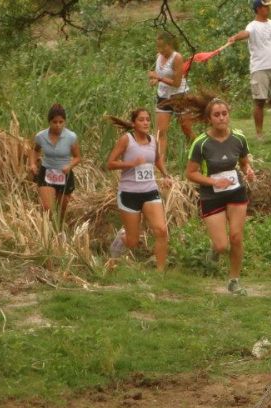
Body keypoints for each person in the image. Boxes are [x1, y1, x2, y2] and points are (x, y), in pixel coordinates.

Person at [185, 98, 256, 295]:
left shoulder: (239, 138)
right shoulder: (201, 143)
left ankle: (234, 280)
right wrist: (214, 182)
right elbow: (190, 173)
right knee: (222, 245)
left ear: (229, 115)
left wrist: (249, 170)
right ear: (209, 119)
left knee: (236, 237)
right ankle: (215, 249)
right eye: (217, 115)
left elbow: (243, 163)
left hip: (236, 192)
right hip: (211, 196)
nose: (221, 118)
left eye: (224, 113)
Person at [106, 108, 170, 271]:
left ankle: (160, 273)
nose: (146, 122)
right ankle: (119, 242)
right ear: (134, 123)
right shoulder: (126, 140)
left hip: (150, 191)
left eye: (148, 119)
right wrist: (131, 164)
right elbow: (110, 163)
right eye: (141, 120)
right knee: (133, 241)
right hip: (129, 193)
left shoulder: (153, 140)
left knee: (161, 230)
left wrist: (166, 175)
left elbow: (156, 160)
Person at [227, 0, 271, 140]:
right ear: (258, 8)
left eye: (268, 5)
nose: (268, 8)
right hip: (259, 69)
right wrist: (235, 37)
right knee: (259, 101)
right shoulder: (252, 26)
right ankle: (259, 134)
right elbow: (245, 33)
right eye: (265, 6)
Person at [148, 31, 195, 162]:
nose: (160, 50)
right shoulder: (158, 56)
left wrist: (158, 77)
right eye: (158, 47)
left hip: (179, 95)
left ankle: (198, 150)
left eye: (162, 47)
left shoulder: (177, 57)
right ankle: (160, 163)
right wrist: (154, 80)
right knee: (160, 132)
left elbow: (176, 83)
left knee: (186, 128)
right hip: (163, 96)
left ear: (170, 45)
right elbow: (160, 76)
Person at [29, 103, 81, 219]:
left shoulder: (71, 137)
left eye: (61, 122)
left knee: (62, 209)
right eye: (55, 122)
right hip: (47, 172)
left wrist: (69, 166)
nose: (58, 125)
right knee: (48, 208)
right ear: (49, 122)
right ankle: (47, 232)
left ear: (64, 122)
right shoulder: (41, 136)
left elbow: (78, 157)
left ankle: (59, 229)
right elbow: (35, 150)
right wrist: (32, 163)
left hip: (64, 174)